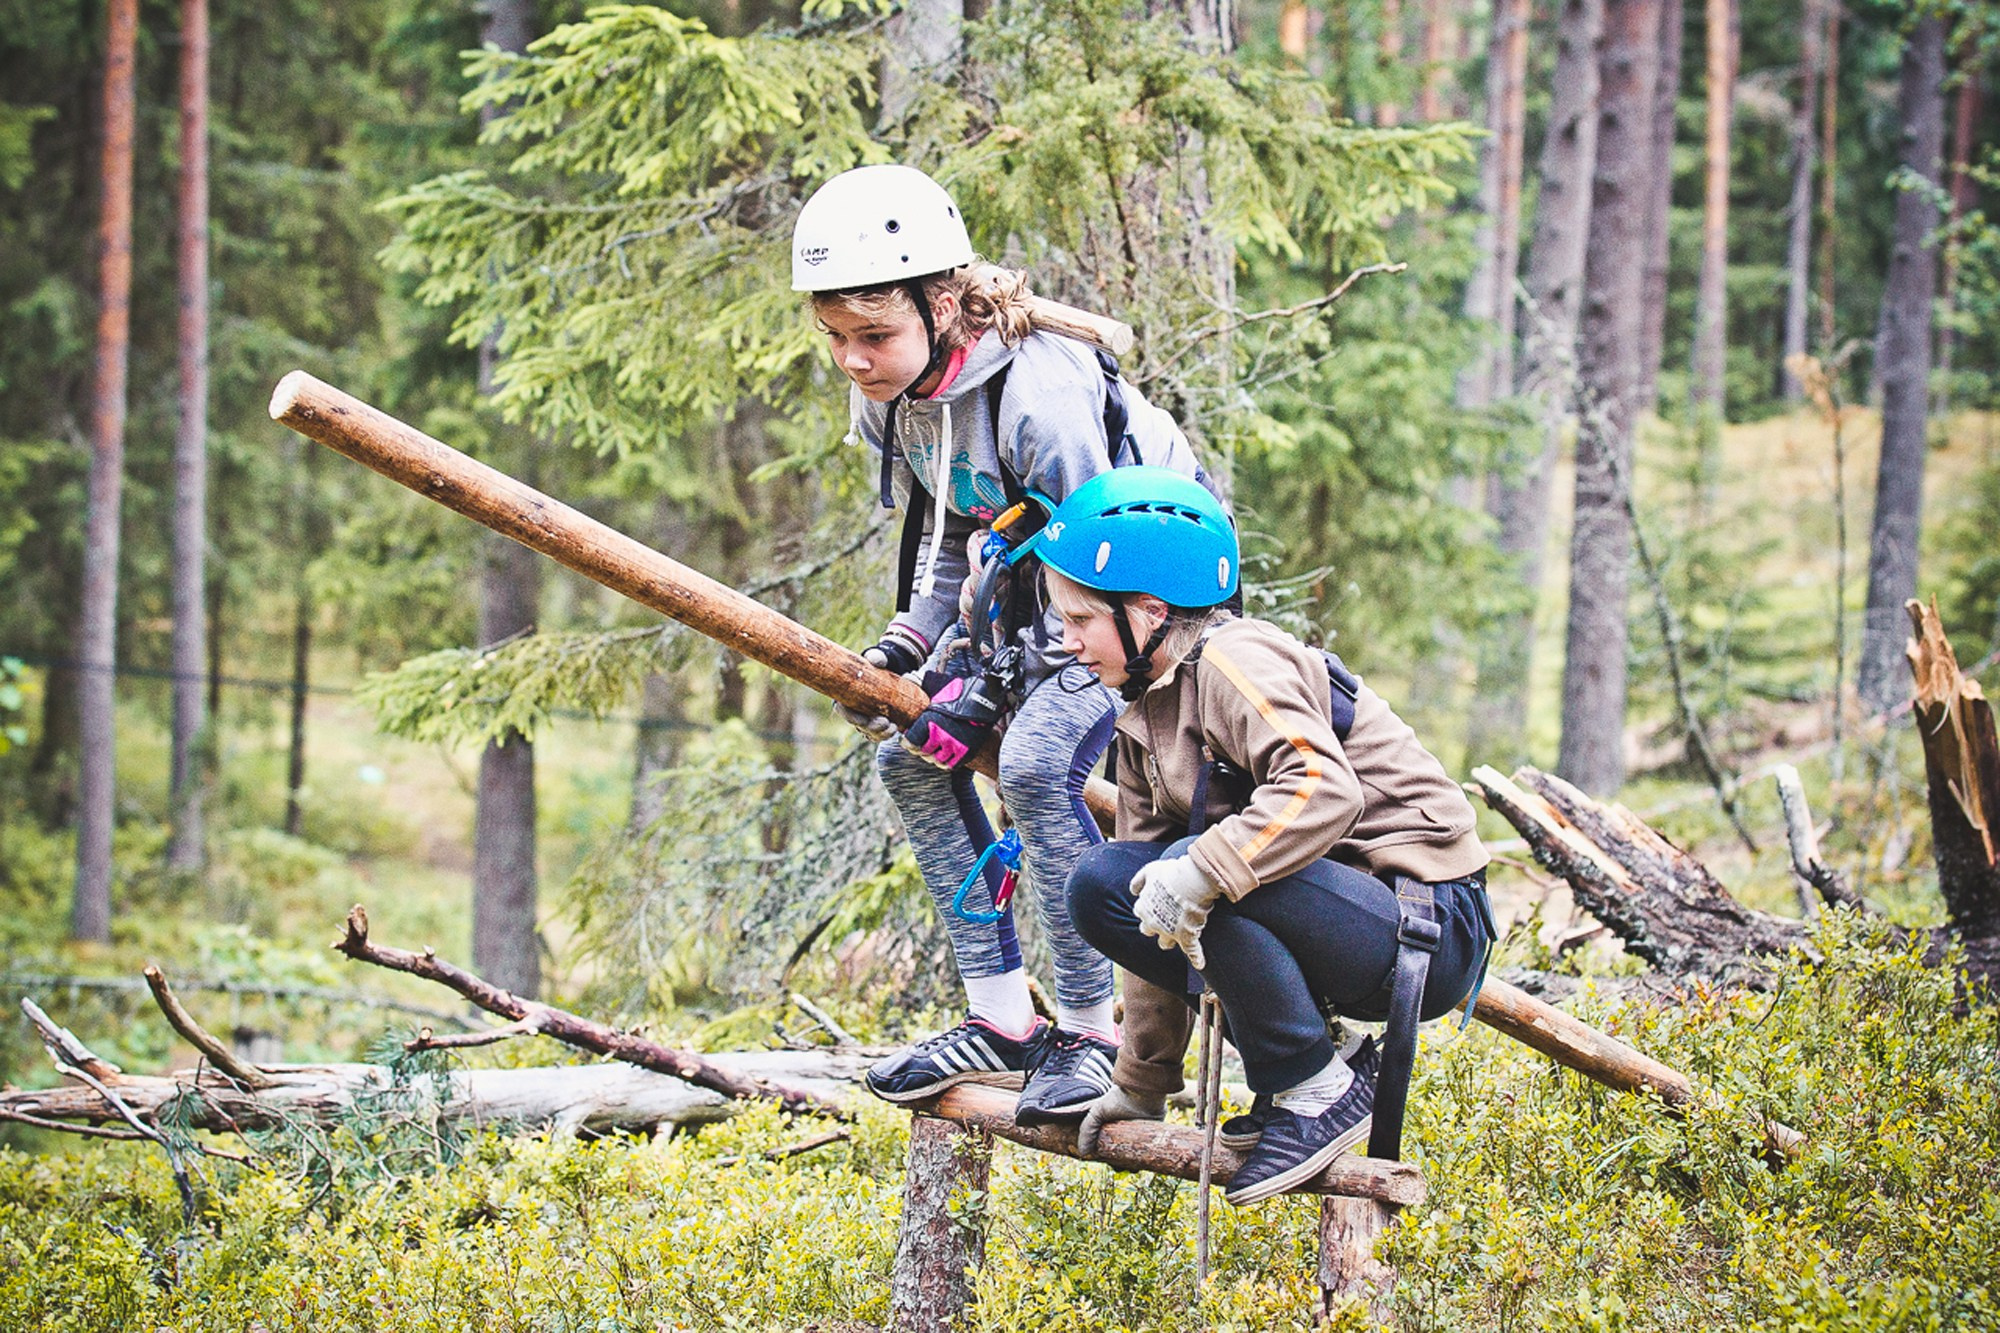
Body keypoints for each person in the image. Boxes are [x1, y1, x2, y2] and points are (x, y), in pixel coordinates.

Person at [791, 164, 1212, 1124]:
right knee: (909, 762)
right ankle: (1003, 1019)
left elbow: (1100, 569)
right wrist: (907, 648)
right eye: (836, 337)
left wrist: (999, 685)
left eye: (874, 335)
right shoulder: (899, 395)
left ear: (941, 306)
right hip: (1040, 590)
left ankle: (1091, 1032)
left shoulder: (1039, 397)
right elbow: (960, 533)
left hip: (1142, 603)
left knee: (1031, 762)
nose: (853, 359)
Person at [1027, 467, 1495, 1204]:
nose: (1068, 640)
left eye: (1081, 619)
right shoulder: (1145, 715)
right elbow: (1148, 905)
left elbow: (1324, 789)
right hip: (1339, 912)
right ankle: (1320, 1067)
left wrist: (1200, 868)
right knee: (1105, 884)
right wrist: (1142, 1080)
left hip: (1424, 924)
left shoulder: (1234, 659)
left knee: (1190, 864)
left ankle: (1318, 1088)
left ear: (1149, 612)